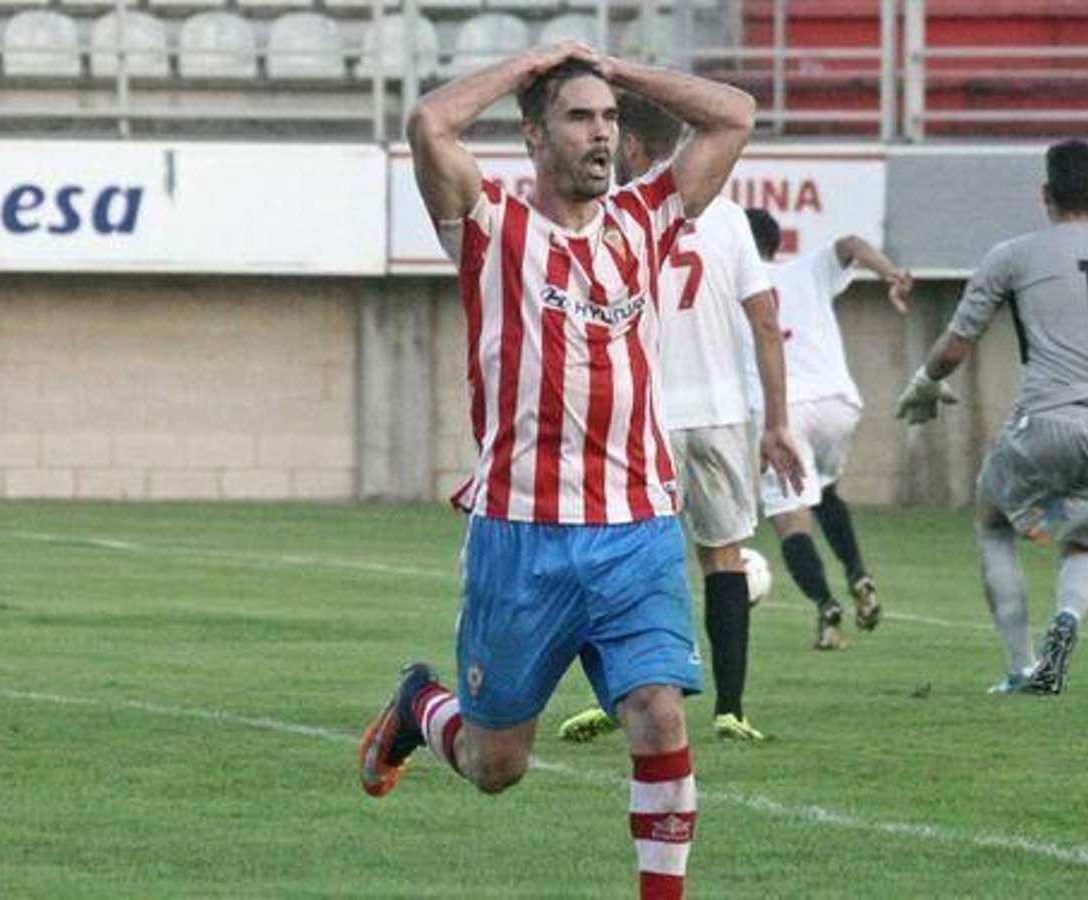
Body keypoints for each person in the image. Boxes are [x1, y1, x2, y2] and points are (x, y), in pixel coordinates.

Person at [357, 43, 756, 900]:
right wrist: (535, 61)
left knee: (659, 712)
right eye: (580, 118)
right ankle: (419, 705)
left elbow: (734, 114)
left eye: (608, 120)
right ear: (534, 136)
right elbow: (431, 121)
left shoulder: (648, 218)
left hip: (637, 528)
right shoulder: (491, 223)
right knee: (495, 764)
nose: (602, 134)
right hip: (520, 536)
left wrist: (614, 70)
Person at [556, 93, 805, 745]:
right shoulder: (727, 221)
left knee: (616, 558)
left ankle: (621, 695)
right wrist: (776, 421)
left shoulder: (617, 219)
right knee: (723, 557)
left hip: (644, 418)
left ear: (635, 147)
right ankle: (731, 708)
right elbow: (766, 325)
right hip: (720, 417)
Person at [895, 139, 1088, 695]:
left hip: (1044, 419)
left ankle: (1022, 666)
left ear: (1045, 195)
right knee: (1087, 544)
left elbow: (957, 344)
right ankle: (1066, 623)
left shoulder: (1013, 256)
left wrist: (926, 382)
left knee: (993, 522)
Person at [746, 208, 913, 650]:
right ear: (776, 245)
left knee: (789, 517)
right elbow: (853, 243)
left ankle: (826, 606)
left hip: (786, 409)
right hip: (839, 403)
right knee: (825, 488)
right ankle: (859, 573)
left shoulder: (731, 285)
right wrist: (891, 273)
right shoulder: (807, 268)